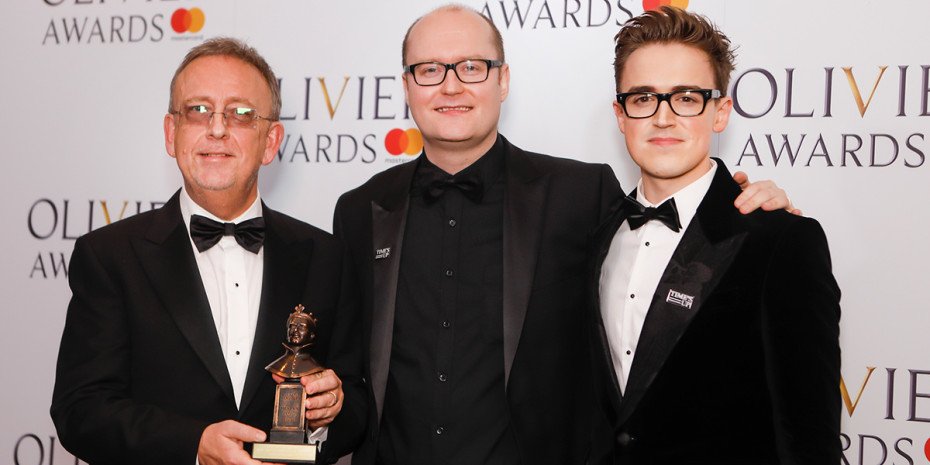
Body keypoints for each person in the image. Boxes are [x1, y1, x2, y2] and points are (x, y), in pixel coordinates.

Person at [333, 5, 793, 465]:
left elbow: (675, 238)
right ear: (407, 86)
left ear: (503, 80)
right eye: (430, 69)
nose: (451, 85)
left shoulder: (582, 195)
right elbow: (349, 377)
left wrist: (748, 207)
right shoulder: (359, 211)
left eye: (473, 67)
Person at [50, 37, 366, 465]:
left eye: (240, 114)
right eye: (197, 110)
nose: (217, 129)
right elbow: (80, 411)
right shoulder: (109, 256)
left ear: (271, 140)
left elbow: (358, 403)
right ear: (171, 132)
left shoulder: (325, 256)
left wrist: (329, 414)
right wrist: (193, 445)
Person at [589, 7, 841, 464]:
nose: (663, 118)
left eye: (686, 98)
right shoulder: (595, 232)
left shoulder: (782, 241)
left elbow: (808, 432)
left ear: (720, 111)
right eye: (643, 98)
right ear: (621, 115)